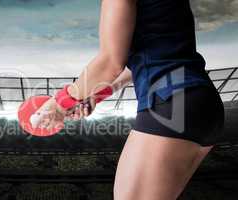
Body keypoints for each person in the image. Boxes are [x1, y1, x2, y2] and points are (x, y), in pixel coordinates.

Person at [32, 0, 225, 199]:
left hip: (171, 102)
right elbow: (138, 62)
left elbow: (110, 62)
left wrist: (60, 102)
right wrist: (96, 95)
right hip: (199, 101)